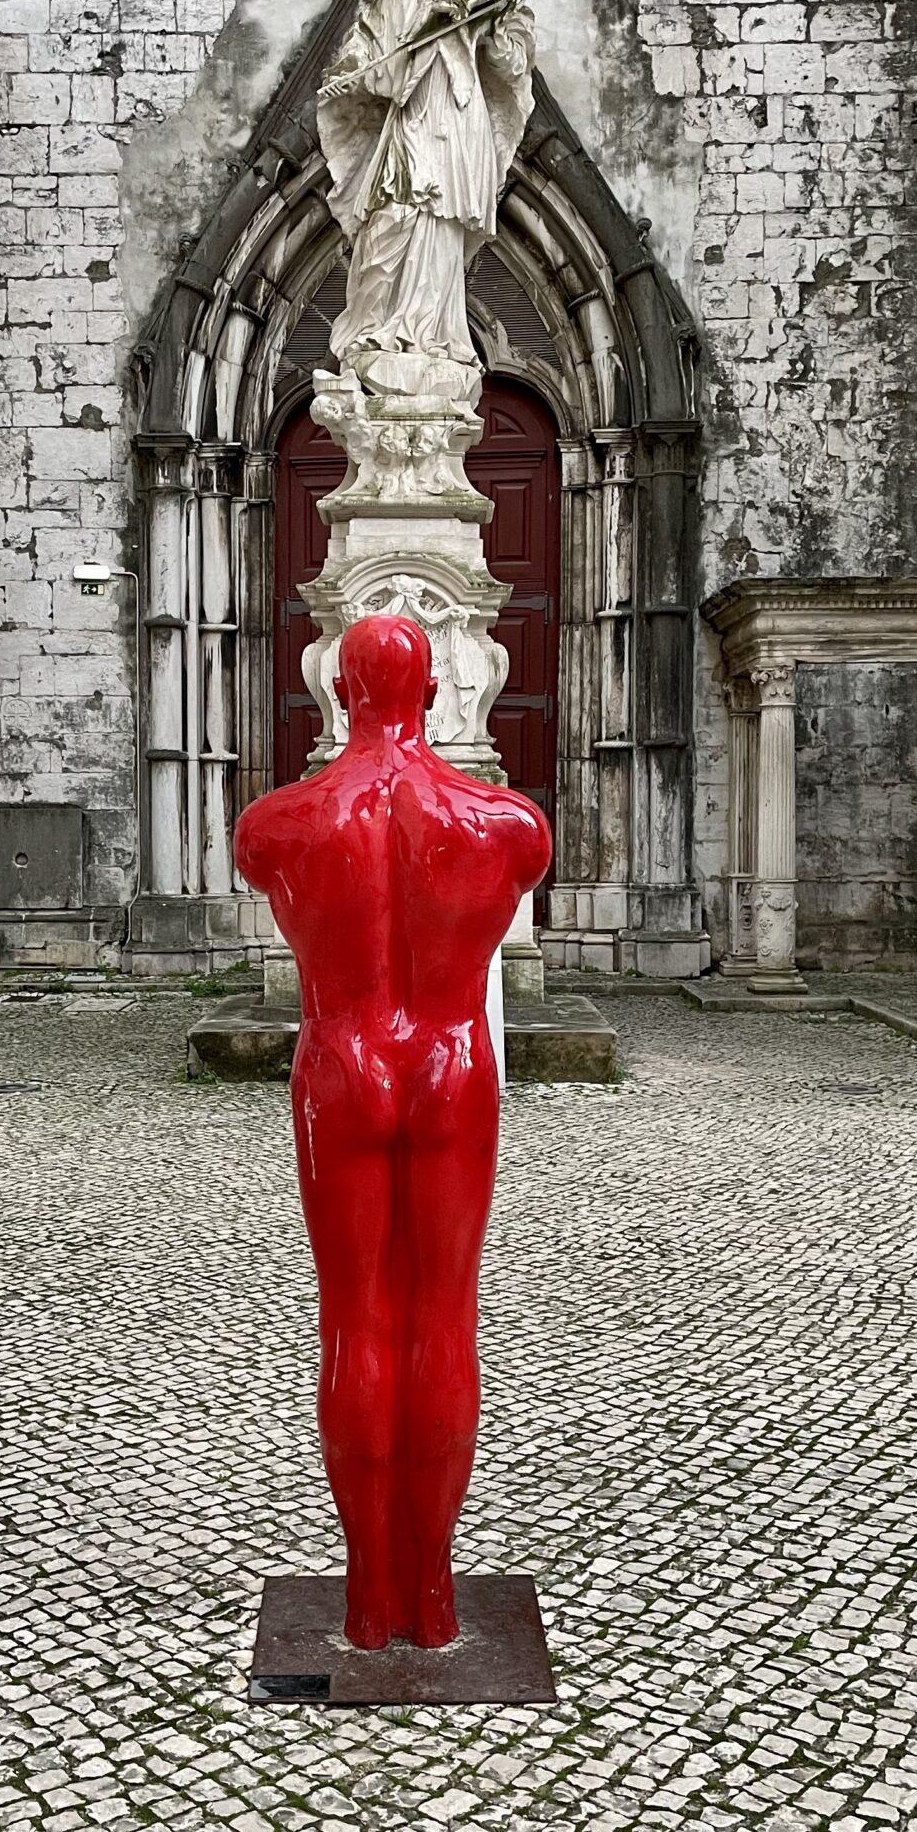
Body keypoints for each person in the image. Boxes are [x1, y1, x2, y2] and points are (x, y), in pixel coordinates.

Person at [234, 613, 552, 1650]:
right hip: (452, 1069)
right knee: (443, 1318)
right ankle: (433, 1596)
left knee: (356, 1320)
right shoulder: (507, 827)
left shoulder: (276, 826)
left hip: (341, 1065)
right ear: (438, 688)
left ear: (337, 686)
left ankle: (370, 1598)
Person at [317, 0, 535, 379]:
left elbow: (513, 64)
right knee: (393, 215)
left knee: (442, 226)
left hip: (458, 123)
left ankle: (434, 334)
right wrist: (351, 74)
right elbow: (369, 51)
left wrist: (495, 23)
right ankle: (378, 327)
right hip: (413, 115)